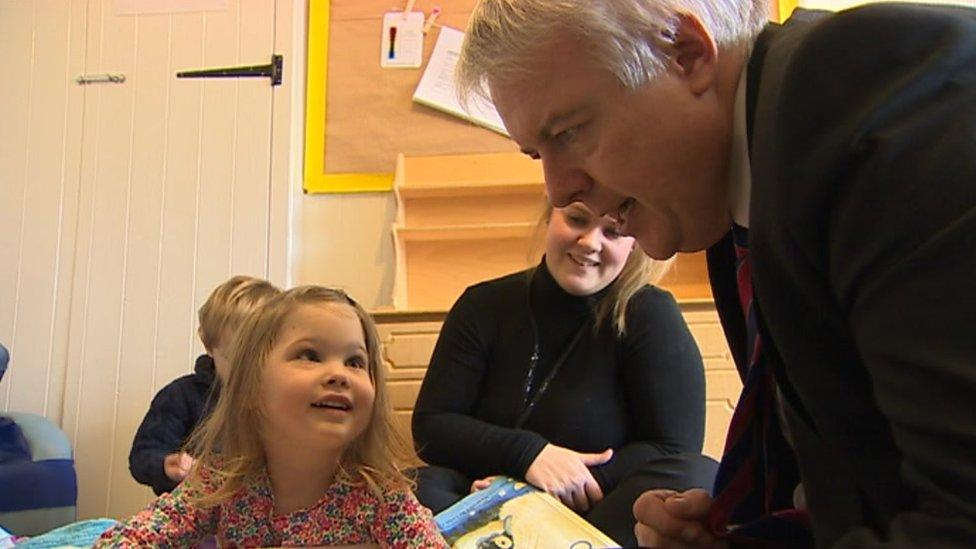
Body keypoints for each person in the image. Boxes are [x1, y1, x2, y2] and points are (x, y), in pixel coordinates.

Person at [458, 0, 976, 547]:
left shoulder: (881, 91)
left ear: (684, 53)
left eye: (567, 132)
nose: (559, 190)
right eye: (535, 154)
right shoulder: (739, 211)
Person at [412, 201, 716, 546]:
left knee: (697, 475)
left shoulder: (649, 313)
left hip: (597, 512)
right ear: (548, 218)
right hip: (486, 503)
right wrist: (527, 459)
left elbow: (674, 447)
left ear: (634, 243)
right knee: (412, 488)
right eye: (576, 220)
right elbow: (432, 425)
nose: (589, 242)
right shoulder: (482, 305)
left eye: (613, 232)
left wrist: (570, 485)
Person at [99, 286, 447, 547]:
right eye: (310, 355)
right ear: (251, 387)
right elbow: (134, 538)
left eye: (355, 362)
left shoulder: (380, 493)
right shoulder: (221, 482)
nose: (339, 374)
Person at [129, 275, 280, 495]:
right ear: (209, 345)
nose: (246, 372)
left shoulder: (282, 399)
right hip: (193, 511)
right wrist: (167, 465)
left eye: (260, 360)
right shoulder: (181, 396)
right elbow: (143, 456)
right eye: (235, 360)